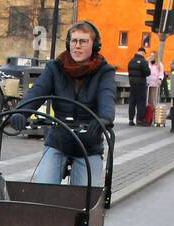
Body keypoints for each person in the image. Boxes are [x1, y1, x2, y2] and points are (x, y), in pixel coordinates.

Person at [12, 21, 115, 186]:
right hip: (59, 138)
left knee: (88, 196)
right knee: (43, 188)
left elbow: (107, 95)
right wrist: (21, 112)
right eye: (74, 41)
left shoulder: (104, 71)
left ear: (94, 45)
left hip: (89, 140)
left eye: (83, 41)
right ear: (68, 43)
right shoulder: (55, 67)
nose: (77, 46)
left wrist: (104, 118)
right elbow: (37, 92)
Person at [127, 46, 149, 126]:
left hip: (132, 84)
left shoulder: (131, 61)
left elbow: (129, 72)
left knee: (132, 102)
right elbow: (147, 72)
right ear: (143, 53)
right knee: (141, 102)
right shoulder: (144, 61)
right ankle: (140, 119)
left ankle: (130, 120)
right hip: (141, 84)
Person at [147, 53, 163, 125]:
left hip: (155, 83)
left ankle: (153, 117)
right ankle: (148, 116)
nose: (151, 57)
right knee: (147, 100)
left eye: (153, 55)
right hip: (148, 83)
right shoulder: (148, 63)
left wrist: (160, 79)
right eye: (151, 55)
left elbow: (161, 73)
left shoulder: (159, 64)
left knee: (152, 100)